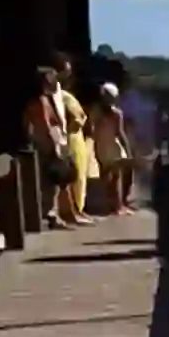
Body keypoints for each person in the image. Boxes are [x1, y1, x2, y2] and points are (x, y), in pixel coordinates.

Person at [26, 68, 83, 228]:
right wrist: (55, 147)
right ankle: (50, 215)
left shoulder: (40, 100)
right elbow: (45, 125)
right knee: (51, 183)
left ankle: (50, 215)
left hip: (46, 143)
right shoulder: (41, 102)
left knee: (51, 184)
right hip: (47, 144)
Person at [53, 55, 95, 221]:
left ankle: (79, 209)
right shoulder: (58, 95)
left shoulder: (65, 93)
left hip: (77, 138)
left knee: (80, 176)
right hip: (69, 137)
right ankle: (72, 211)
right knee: (71, 175)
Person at [91, 85, 135, 214]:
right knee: (115, 177)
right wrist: (127, 149)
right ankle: (117, 206)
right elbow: (120, 133)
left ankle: (111, 205)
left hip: (101, 145)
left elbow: (91, 129)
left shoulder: (96, 112)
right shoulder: (116, 113)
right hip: (112, 146)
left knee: (107, 176)